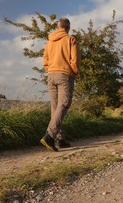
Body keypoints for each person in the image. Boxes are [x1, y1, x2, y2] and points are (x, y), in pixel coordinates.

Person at [40, 17, 80, 152]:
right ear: (68, 28)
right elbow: (74, 60)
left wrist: (50, 70)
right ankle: (49, 136)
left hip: (51, 75)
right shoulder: (70, 39)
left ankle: (60, 139)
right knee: (64, 104)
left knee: (55, 107)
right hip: (64, 75)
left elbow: (45, 60)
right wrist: (74, 73)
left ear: (58, 27)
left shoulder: (49, 42)